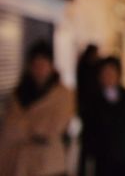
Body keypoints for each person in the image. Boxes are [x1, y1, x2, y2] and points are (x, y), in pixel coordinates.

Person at [0, 41, 75, 176]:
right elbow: (9, 128)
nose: (39, 69)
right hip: (19, 164)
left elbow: (52, 128)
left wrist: (22, 129)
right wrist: (32, 130)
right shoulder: (19, 93)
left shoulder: (63, 94)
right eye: (35, 65)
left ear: (51, 66)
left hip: (49, 164)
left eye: (43, 64)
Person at [90, 57, 125, 176]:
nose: (108, 76)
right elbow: (89, 134)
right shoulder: (93, 102)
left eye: (111, 72)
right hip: (104, 162)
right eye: (105, 73)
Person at [76, 44, 99, 176]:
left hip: (88, 109)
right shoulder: (88, 67)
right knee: (87, 143)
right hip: (88, 110)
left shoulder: (84, 66)